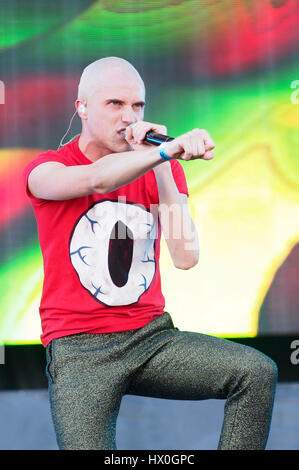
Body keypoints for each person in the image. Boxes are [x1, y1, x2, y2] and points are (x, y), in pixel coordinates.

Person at [24, 57, 278, 450]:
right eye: (115, 104)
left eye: (138, 106)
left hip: (150, 339)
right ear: (82, 107)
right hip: (79, 349)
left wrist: (163, 162)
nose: (129, 117)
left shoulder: (160, 167)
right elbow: (98, 177)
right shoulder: (47, 168)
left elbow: (185, 255)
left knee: (256, 372)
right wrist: (165, 151)